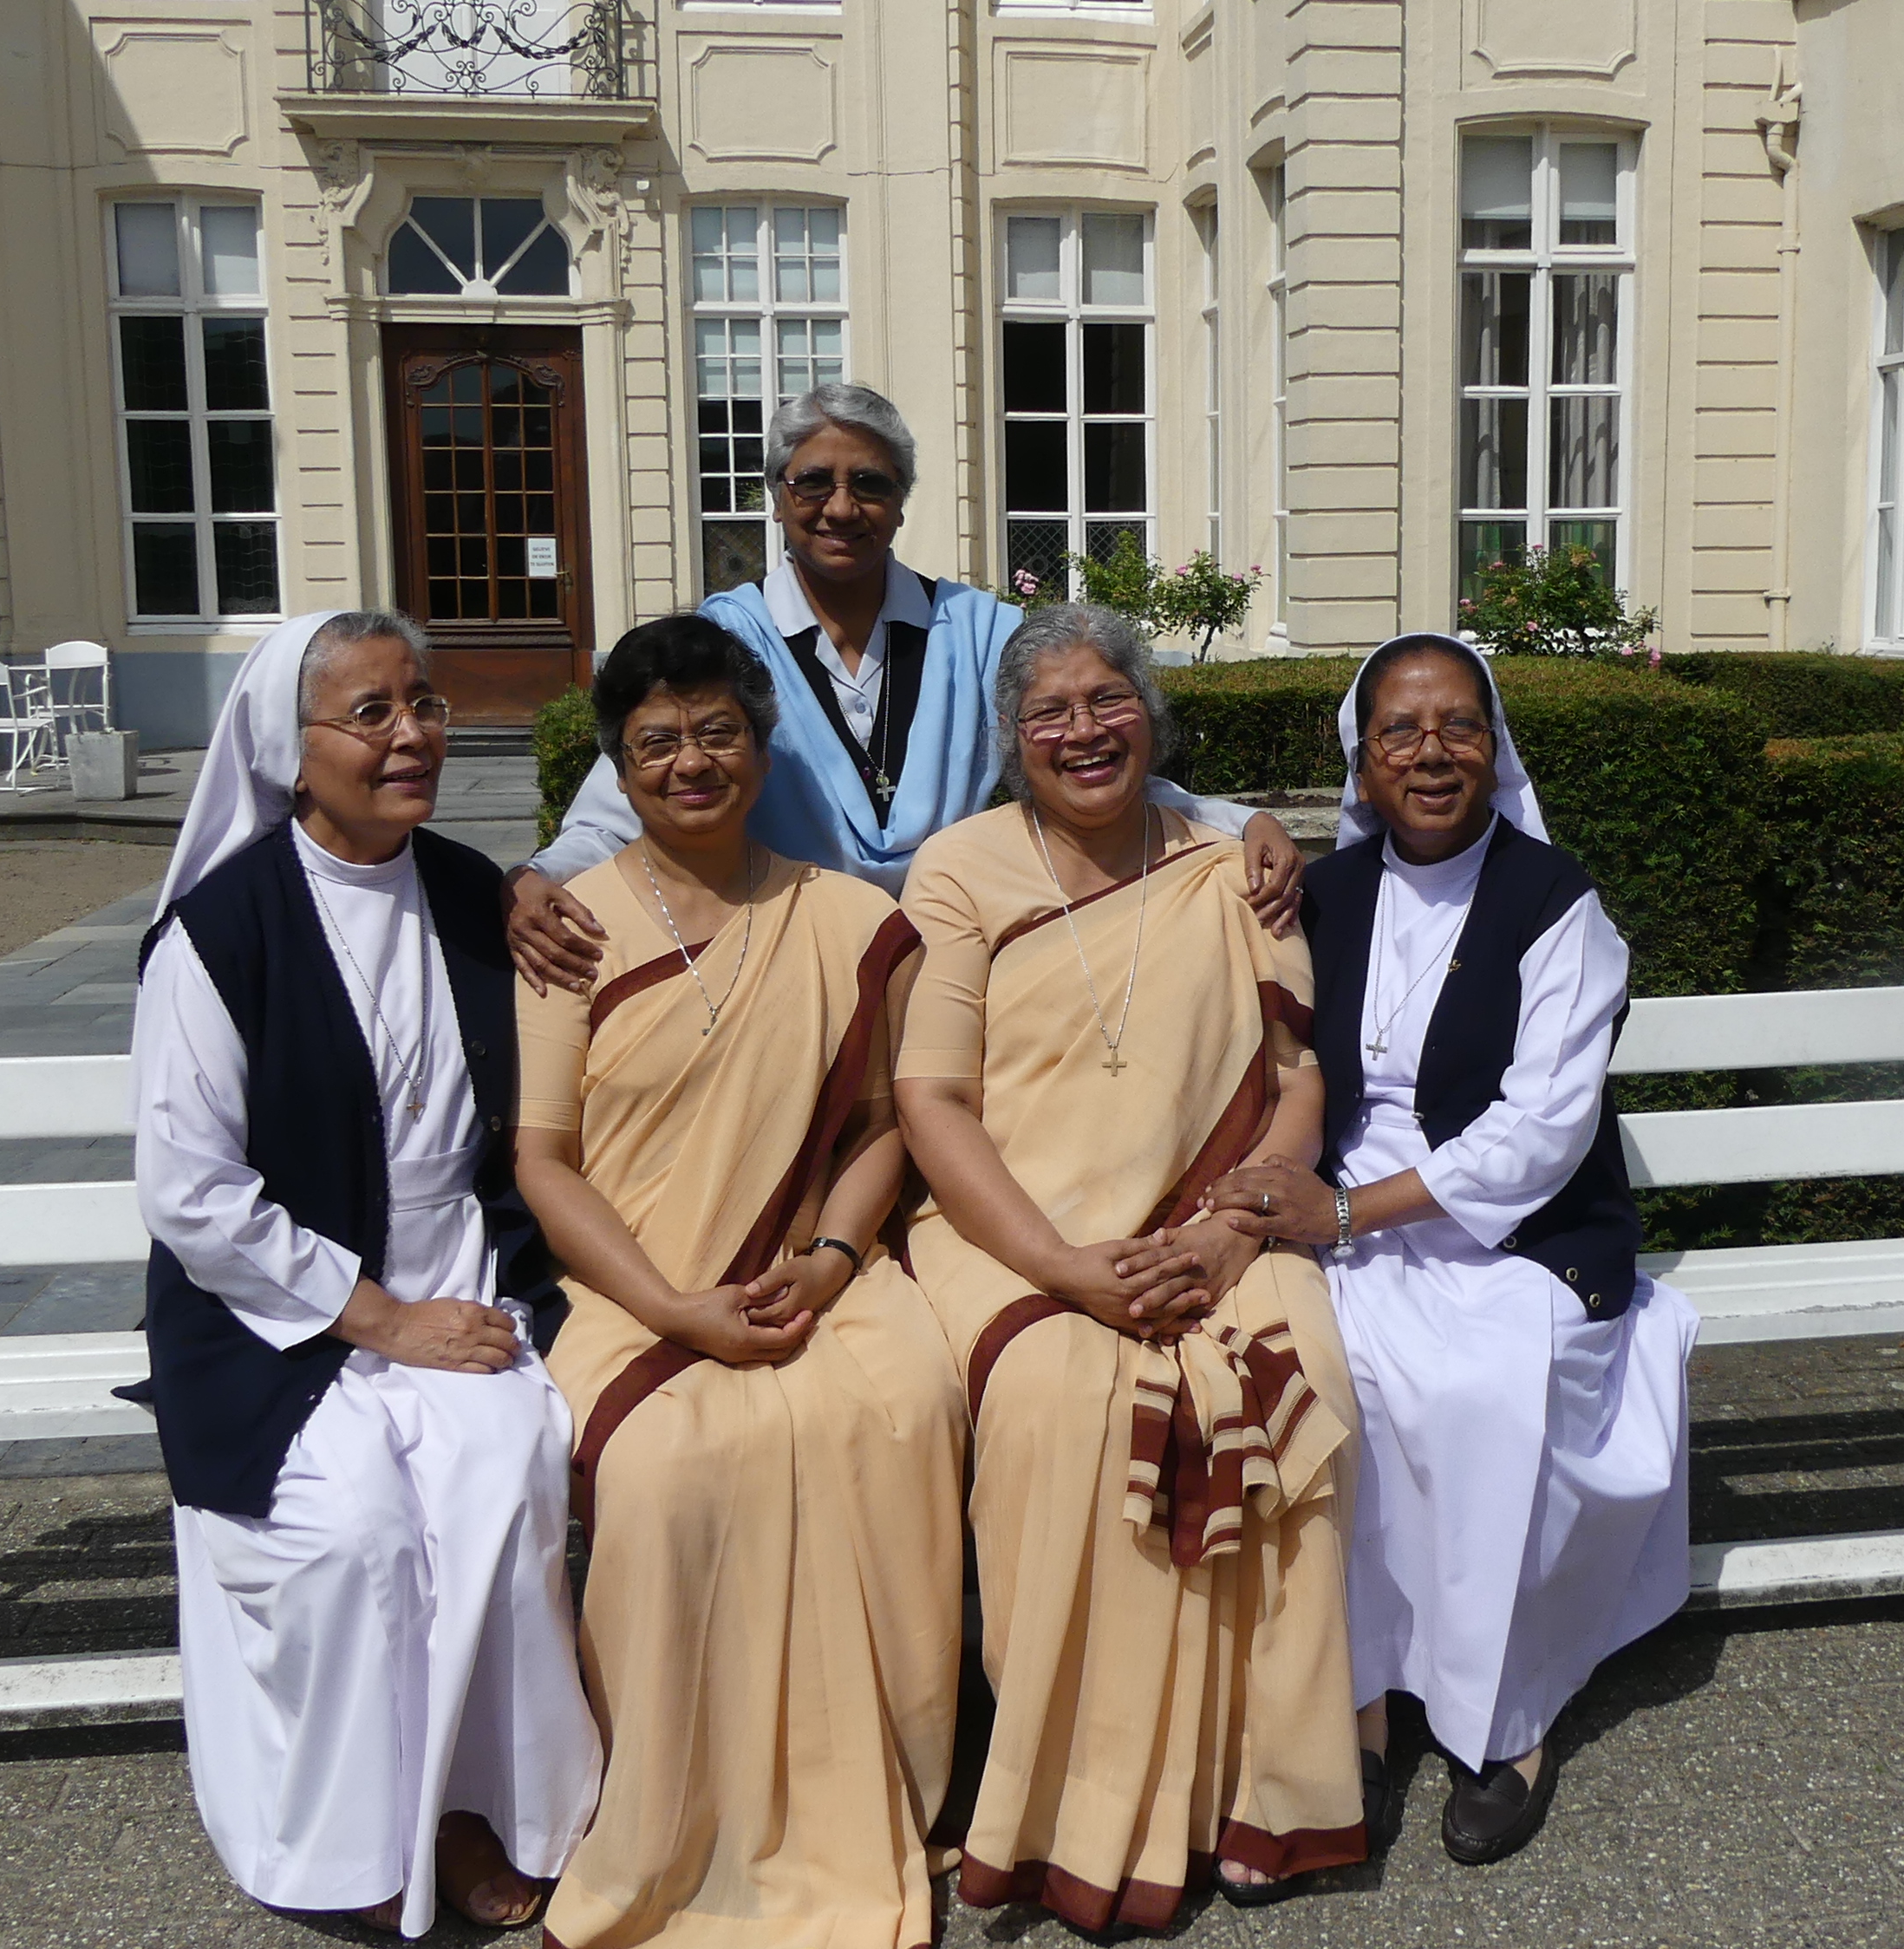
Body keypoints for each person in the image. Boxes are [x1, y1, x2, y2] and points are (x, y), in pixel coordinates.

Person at [892, 603, 1366, 1930]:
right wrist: (1061, 1268)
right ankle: (1076, 1812)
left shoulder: (1230, 867)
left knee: (1303, 1375)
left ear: (1150, 718)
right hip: (1012, 1233)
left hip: (1216, 1217)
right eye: (1050, 712)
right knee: (1062, 1405)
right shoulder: (959, 871)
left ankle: (1261, 1789)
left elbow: (1297, 1078)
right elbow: (932, 1099)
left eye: (1108, 700)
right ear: (1012, 739)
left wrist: (1231, 1231)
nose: (1084, 730)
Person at [131, 609, 599, 1939]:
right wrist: (381, 1320)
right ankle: (352, 1836)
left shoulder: (465, 887)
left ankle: (473, 1810)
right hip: (279, 1320)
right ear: (293, 749)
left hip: (461, 1278)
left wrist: (524, 881)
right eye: (372, 714)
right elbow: (190, 1191)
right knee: (354, 1536)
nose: (412, 736)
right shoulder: (220, 934)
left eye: (424, 704)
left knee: (501, 1481)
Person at [512, 616, 966, 1949]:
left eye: (719, 733)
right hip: (633, 1286)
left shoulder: (848, 919)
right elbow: (543, 1162)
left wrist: (830, 1261)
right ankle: (673, 1822)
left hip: (813, 1266)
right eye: (658, 742)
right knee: (666, 1469)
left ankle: (882, 1790)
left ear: (765, 753)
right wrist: (670, 1308)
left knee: (901, 1407)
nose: (692, 763)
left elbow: (881, 1124)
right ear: (620, 769)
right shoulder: (573, 932)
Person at [1208, 633, 1697, 1868]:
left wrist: (1346, 1217)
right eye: (1399, 731)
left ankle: (1507, 1720)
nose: (1431, 754)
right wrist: (1251, 816)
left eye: (1458, 727)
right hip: (1341, 1209)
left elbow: (1542, 1132)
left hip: (1514, 1232)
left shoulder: (1557, 905)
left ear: (1495, 745)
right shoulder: (1326, 893)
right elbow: (1143, 795)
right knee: (1328, 1378)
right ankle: (1360, 1707)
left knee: (1484, 1391)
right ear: (1361, 762)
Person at [500, 381, 1302, 989]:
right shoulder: (722, 644)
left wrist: (1239, 820)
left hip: (962, 958)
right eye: (813, 482)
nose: (841, 507)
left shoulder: (983, 631)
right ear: (776, 497)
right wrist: (536, 878)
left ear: (901, 504)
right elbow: (622, 807)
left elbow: (1084, 756)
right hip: (784, 960)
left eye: (870, 484)